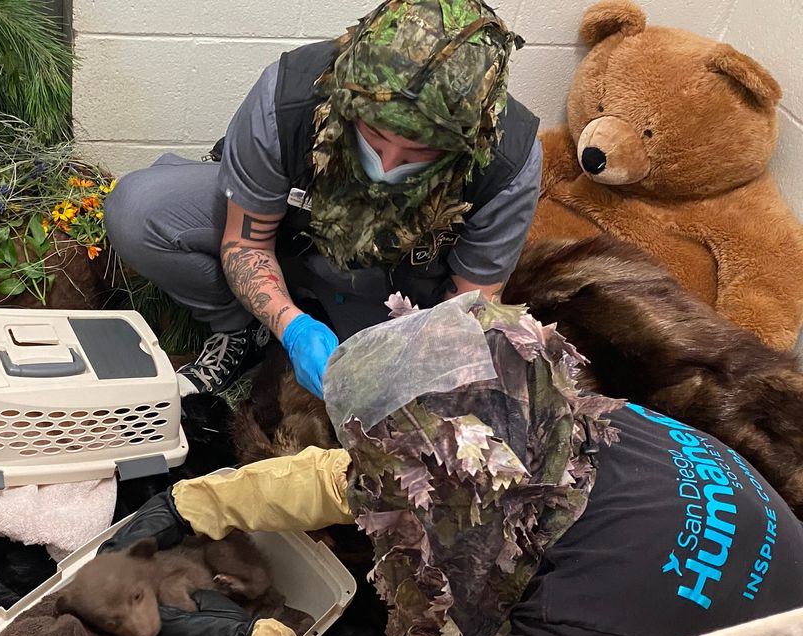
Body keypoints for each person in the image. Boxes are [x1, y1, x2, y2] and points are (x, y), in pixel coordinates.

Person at [100, 293, 803, 636]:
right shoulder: (580, 422)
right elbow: (387, 482)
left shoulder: (572, 625)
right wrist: (197, 501)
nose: (375, 479)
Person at [104, 0, 540, 398]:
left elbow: (468, 306)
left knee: (371, 394)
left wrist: (414, 365)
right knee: (139, 211)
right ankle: (240, 332)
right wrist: (291, 327)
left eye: (418, 153)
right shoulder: (291, 98)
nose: (387, 166)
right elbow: (247, 243)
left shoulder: (507, 161)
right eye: (373, 136)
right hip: (290, 238)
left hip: (395, 286)